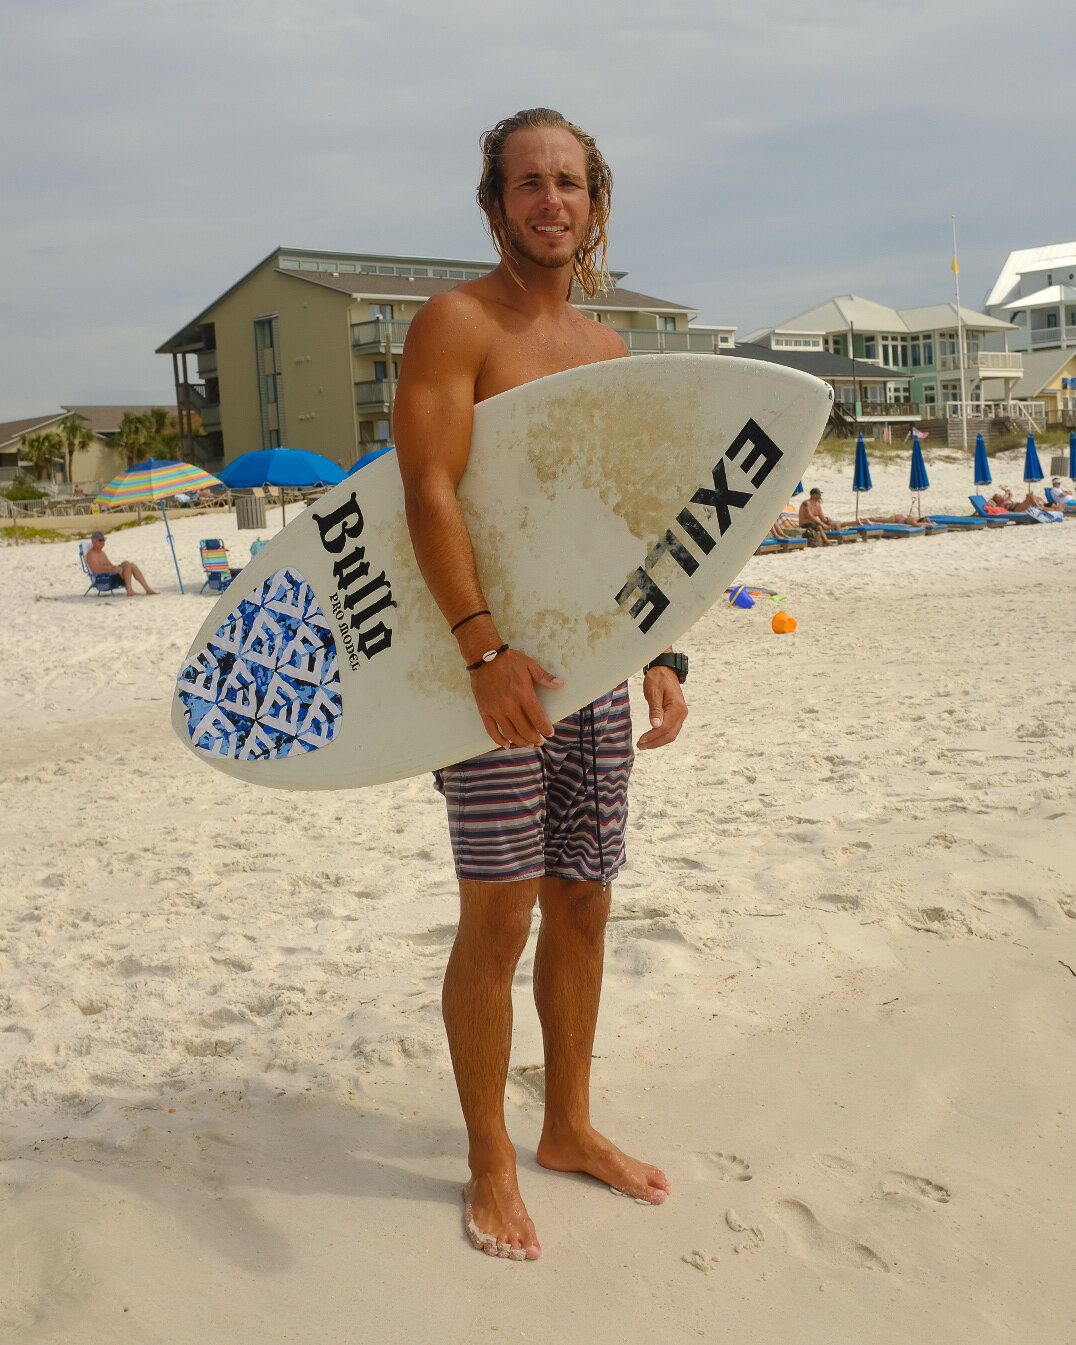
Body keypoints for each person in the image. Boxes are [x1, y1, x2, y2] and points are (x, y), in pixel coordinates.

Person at [393, 108, 687, 1263]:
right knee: (499, 913)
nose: (549, 201)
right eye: (528, 183)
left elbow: (625, 522)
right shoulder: (453, 323)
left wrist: (659, 652)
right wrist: (478, 647)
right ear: (494, 203)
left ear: (593, 201)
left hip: (595, 675)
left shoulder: (610, 353)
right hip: (492, 677)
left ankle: (564, 1125)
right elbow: (428, 489)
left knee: (582, 901)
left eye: (567, 181)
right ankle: (487, 1154)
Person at [83, 531, 156, 594]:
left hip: (111, 576)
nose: (103, 542)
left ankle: (147, 589)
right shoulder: (91, 555)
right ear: (93, 541)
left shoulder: (102, 553)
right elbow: (96, 571)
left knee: (130, 564)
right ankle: (130, 591)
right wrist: (112, 569)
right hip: (104, 580)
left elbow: (110, 565)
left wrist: (115, 568)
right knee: (127, 564)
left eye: (103, 540)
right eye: (100, 540)